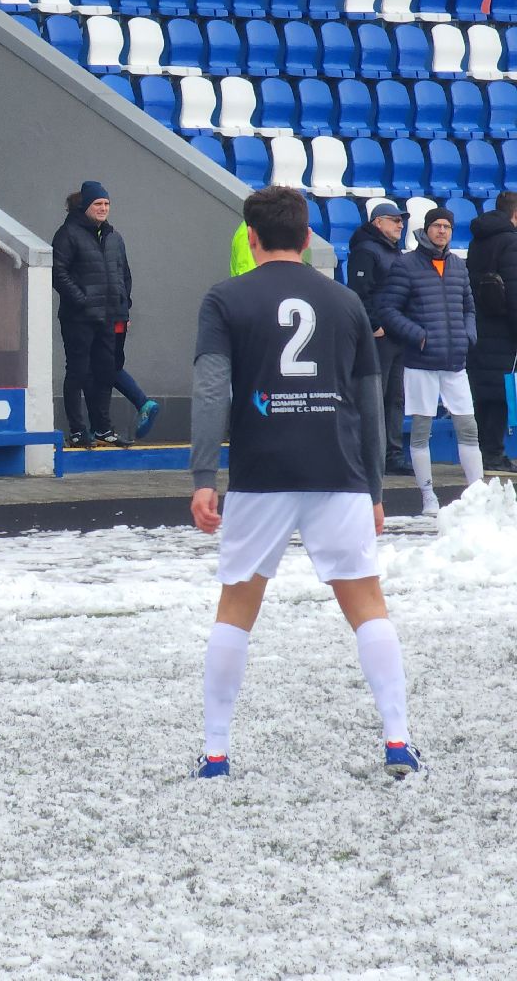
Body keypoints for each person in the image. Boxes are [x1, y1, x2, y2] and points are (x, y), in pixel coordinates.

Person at [190, 185, 420, 780]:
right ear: (308, 237)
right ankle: (398, 741)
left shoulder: (225, 298)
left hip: (261, 474)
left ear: (252, 237)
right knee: (367, 604)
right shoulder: (345, 301)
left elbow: (213, 389)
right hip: (338, 470)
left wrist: (202, 475)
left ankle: (216, 752)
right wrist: (373, 490)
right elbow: (370, 404)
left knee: (237, 605)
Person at [377, 207, 482, 514]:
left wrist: (468, 335)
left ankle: (476, 497)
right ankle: (428, 497)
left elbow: (469, 308)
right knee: (422, 431)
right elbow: (388, 310)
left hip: (454, 362)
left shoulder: (458, 266)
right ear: (426, 229)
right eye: (436, 225)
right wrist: (418, 335)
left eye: (447, 226)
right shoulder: (406, 265)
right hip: (421, 363)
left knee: (468, 428)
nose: (442, 231)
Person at [52, 182, 154, 447]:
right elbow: (58, 273)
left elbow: (124, 275)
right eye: (98, 204)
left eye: (106, 204)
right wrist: (82, 301)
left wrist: (123, 307)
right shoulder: (68, 234)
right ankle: (77, 431)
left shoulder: (114, 237)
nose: (103, 208)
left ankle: (102, 429)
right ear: (85, 206)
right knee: (77, 372)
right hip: (79, 318)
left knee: (105, 373)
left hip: (109, 318)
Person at [343, 202, 411, 475]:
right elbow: (359, 290)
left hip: (396, 335)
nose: (400, 224)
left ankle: (391, 455)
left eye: (401, 220)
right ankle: (370, 454)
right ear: (377, 223)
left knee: (395, 397)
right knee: (375, 396)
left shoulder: (392, 252)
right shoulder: (366, 251)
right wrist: (373, 324)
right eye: (394, 220)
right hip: (380, 336)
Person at [464, 192, 517, 472]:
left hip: (479, 325)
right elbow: (514, 290)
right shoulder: (511, 242)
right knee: (499, 393)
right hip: (503, 330)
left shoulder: (478, 240)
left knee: (483, 392)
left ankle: (484, 450)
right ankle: (494, 453)